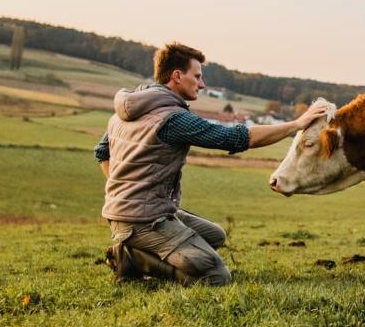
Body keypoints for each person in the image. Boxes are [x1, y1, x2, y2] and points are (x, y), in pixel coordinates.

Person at [95, 42, 328, 285]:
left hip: (142, 211)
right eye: (197, 76)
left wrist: (127, 194)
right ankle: (130, 258)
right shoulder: (173, 119)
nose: (202, 84)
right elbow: (234, 138)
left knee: (215, 235)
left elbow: (102, 151)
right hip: (142, 220)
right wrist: (296, 125)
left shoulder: (127, 110)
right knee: (216, 275)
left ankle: (137, 249)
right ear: (177, 76)